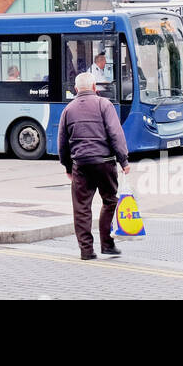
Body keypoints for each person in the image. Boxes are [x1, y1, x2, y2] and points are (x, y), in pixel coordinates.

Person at [58, 71, 131, 260]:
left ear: (76, 89)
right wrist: (123, 160)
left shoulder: (68, 109)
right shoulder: (104, 104)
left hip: (81, 164)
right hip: (105, 163)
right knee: (110, 201)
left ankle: (86, 250)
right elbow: (116, 133)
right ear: (93, 87)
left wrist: (67, 167)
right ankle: (107, 244)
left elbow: (62, 143)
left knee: (81, 207)